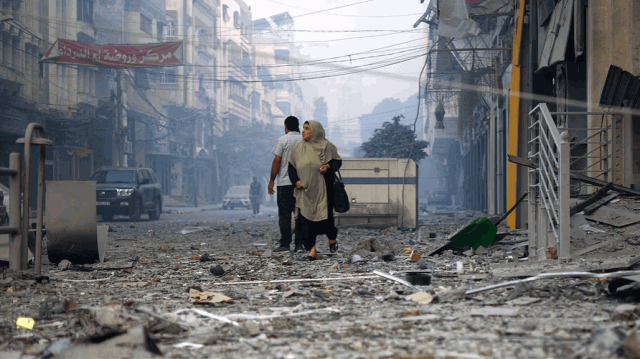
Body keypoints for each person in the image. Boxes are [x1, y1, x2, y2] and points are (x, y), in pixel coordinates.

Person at [287, 120, 341, 261]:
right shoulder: (299, 148)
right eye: (303, 128)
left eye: (307, 128)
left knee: (326, 219)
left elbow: (337, 162)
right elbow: (291, 167)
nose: (303, 131)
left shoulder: (328, 146)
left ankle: (332, 239)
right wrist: (296, 181)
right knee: (306, 221)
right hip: (305, 191)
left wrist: (328, 166)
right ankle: (312, 250)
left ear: (315, 131)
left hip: (324, 190)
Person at [269, 116, 303, 253]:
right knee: (300, 215)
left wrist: (272, 180)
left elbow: (277, 161)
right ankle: (299, 245)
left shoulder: (283, 140)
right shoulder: (304, 141)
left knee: (284, 215)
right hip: (301, 184)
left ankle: (285, 244)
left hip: (284, 183)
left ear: (286, 127)